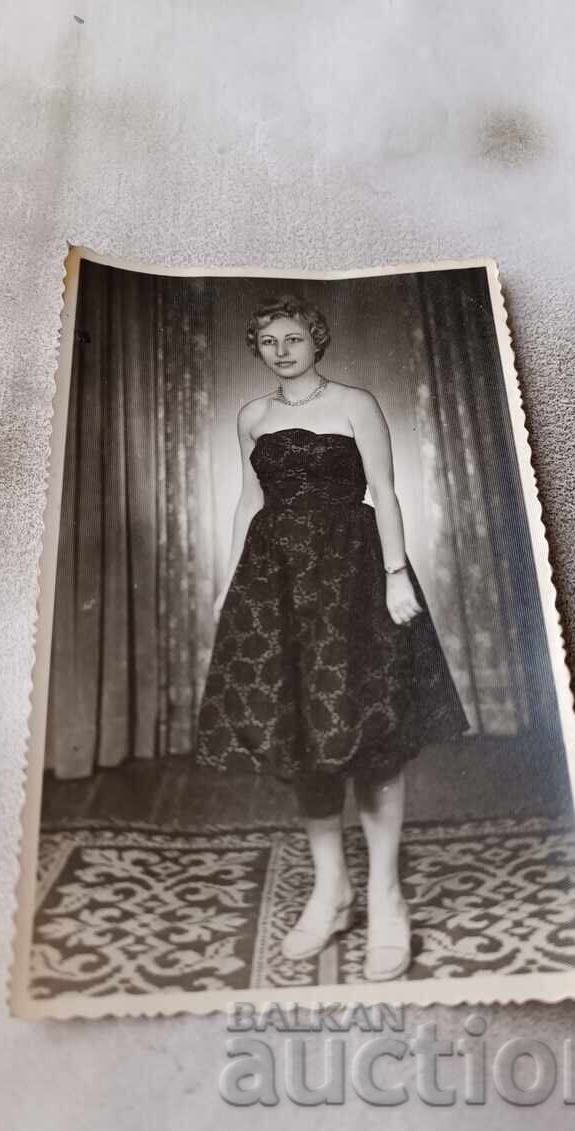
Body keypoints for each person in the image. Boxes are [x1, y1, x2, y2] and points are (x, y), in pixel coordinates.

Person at [196, 294, 468, 981]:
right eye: (268, 341)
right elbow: (249, 502)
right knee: (301, 738)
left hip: (350, 578)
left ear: (315, 341)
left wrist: (395, 575)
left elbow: (385, 490)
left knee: (370, 736)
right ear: (257, 349)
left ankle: (385, 898)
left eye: (292, 337)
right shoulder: (252, 417)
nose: (280, 350)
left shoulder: (355, 404)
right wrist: (233, 587)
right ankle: (331, 889)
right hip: (276, 586)